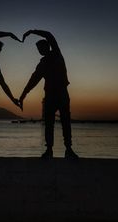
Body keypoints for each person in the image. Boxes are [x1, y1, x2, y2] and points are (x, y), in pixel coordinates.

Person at [19, 30, 79, 159]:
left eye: (42, 47)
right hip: (50, 95)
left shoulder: (56, 53)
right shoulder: (42, 64)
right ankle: (49, 150)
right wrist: (23, 94)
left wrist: (32, 31)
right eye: (38, 49)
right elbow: (33, 80)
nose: (40, 50)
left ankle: (68, 149)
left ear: (47, 46)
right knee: (49, 123)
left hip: (62, 93)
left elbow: (49, 35)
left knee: (65, 121)